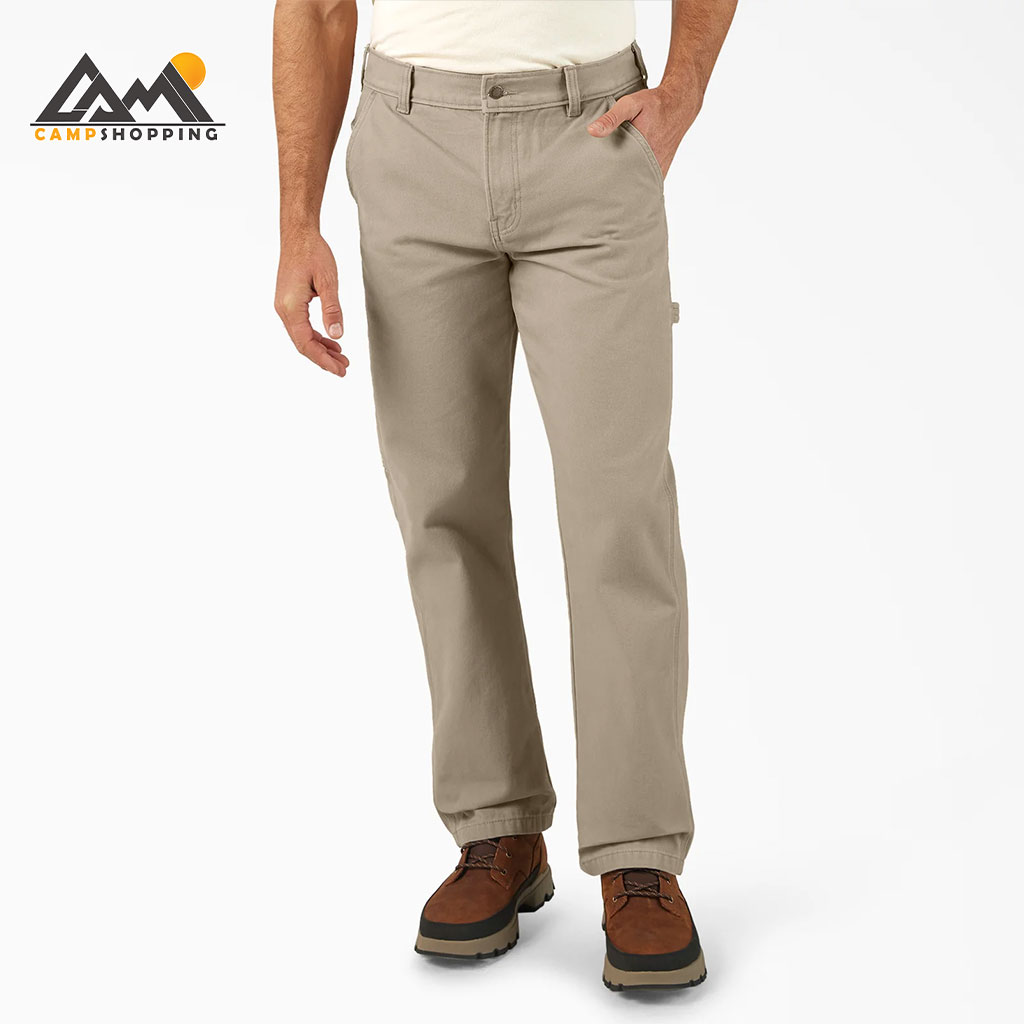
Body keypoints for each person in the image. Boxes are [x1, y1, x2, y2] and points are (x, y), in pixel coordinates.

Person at [273, 0, 736, 990]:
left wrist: (685, 87)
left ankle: (639, 852)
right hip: (411, 146)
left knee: (618, 512)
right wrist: (296, 221)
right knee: (442, 506)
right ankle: (497, 826)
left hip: (590, 137)